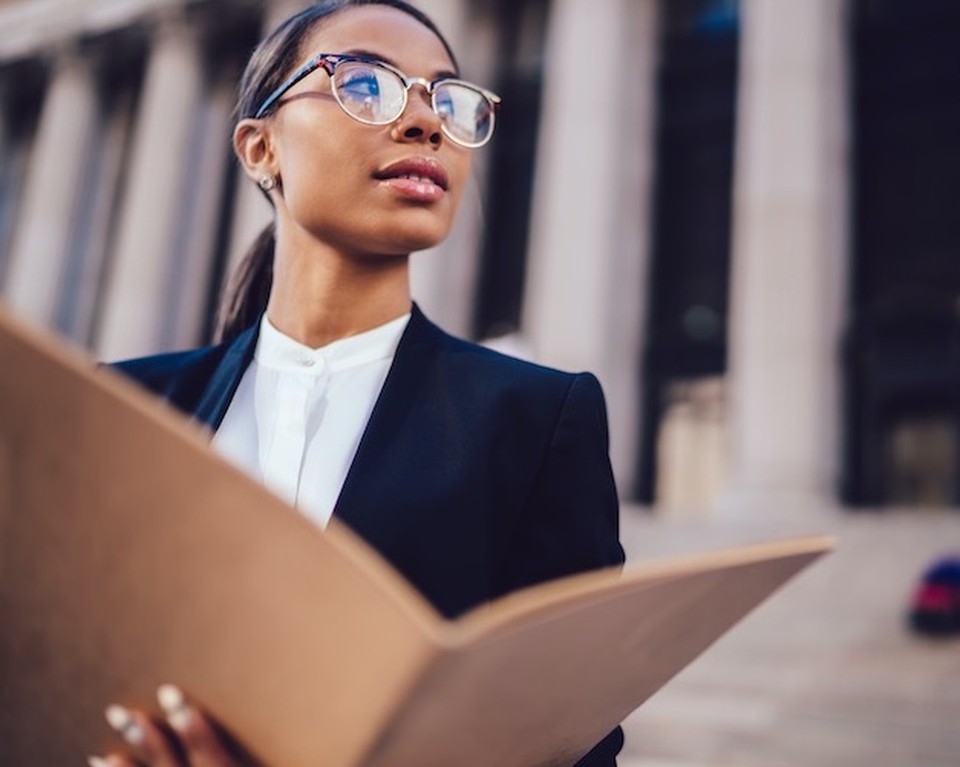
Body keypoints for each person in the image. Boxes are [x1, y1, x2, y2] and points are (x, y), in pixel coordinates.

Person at [92, 1, 625, 765]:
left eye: (448, 99)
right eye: (368, 84)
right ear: (259, 147)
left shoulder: (537, 420)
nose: (424, 122)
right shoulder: (129, 412)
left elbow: (573, 744)